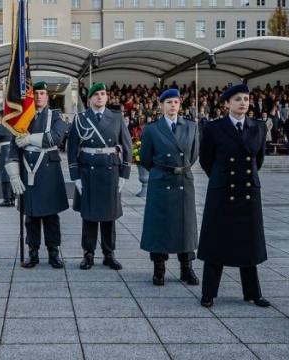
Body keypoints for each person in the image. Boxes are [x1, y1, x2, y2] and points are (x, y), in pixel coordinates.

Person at [197, 84, 270, 309]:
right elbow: (206, 159)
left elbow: (259, 159)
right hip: (222, 193)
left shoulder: (258, 127)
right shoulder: (213, 128)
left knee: (249, 245)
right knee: (215, 244)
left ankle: (253, 293)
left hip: (248, 193)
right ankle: (208, 293)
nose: (243, 103)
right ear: (227, 103)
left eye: (246, 99)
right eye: (238, 99)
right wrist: (220, 179)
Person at [67, 82, 132, 270]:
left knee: (109, 216)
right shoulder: (80, 119)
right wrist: (75, 176)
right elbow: (72, 149)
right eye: (96, 95)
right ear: (90, 100)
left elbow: (127, 146)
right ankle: (88, 254)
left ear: (107, 97)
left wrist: (124, 174)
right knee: (88, 216)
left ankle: (108, 253)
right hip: (87, 171)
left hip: (110, 171)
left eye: (103, 94)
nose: (100, 97)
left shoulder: (117, 117)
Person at [5, 81, 69, 268]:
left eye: (43, 93)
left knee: (51, 216)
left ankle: (53, 253)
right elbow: (13, 146)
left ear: (48, 97)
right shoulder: (23, 118)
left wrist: (29, 139)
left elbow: (56, 138)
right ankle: (32, 252)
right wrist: (14, 174)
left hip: (48, 170)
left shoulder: (55, 115)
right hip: (27, 169)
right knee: (30, 215)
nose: (40, 96)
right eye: (37, 93)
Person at [139, 89, 199, 286]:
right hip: (161, 180)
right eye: (169, 102)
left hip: (183, 180)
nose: (173, 105)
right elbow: (146, 158)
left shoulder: (191, 127)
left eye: (176, 102)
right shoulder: (152, 129)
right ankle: (159, 269)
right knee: (159, 227)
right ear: (162, 105)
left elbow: (194, 154)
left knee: (186, 226)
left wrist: (180, 169)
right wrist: (161, 171)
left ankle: (186, 268)